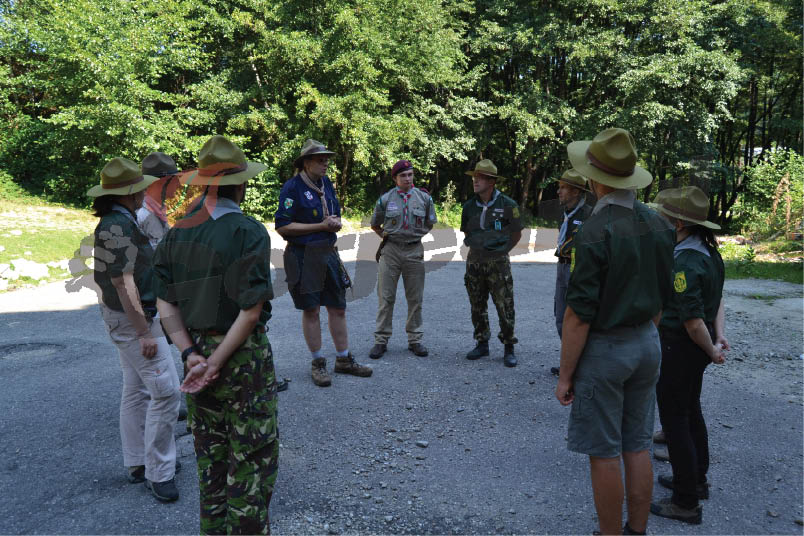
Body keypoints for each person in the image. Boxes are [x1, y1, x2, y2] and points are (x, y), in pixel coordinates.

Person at [152, 135, 278, 534]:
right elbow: (251, 308)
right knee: (252, 464)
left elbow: (165, 304)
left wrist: (191, 355)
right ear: (240, 184)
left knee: (211, 460)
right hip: (241, 359)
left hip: (197, 353)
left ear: (204, 184)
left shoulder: (176, 233)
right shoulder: (248, 231)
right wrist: (217, 362)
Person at [554, 128, 675, 536]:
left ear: (596, 179)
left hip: (608, 350)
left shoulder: (593, 229)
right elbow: (660, 298)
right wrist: (644, 332)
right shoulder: (659, 223)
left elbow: (578, 316)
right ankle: (635, 531)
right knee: (637, 443)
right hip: (647, 341)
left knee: (604, 451)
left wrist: (566, 374)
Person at [88, 157, 181, 502]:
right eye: (139, 189)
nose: (144, 193)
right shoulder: (119, 226)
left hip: (127, 316)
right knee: (166, 391)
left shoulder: (120, 220)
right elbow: (122, 281)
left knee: (136, 388)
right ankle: (159, 472)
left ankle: (138, 463)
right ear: (128, 194)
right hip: (134, 320)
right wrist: (144, 332)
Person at [648, 186, 728, 525]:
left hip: (681, 346)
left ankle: (685, 502)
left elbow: (692, 320)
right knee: (690, 410)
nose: (659, 218)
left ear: (679, 222)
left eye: (664, 214)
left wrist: (711, 348)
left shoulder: (685, 261)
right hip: (696, 347)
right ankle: (696, 480)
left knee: (675, 420)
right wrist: (718, 336)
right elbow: (718, 300)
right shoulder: (708, 251)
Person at [274, 139, 372, 387]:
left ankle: (343, 359)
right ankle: (318, 363)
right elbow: (283, 226)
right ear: (306, 162)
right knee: (312, 310)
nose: (326, 162)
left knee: (338, 307)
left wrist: (335, 222)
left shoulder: (325, 184)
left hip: (328, 252)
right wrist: (320, 225)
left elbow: (331, 213)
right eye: (320, 159)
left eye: (327, 158)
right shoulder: (292, 188)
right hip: (303, 255)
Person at [368, 159, 437, 359]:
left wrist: (416, 236)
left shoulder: (424, 198)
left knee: (415, 298)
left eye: (410, 174)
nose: (407, 178)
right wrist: (388, 237)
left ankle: (415, 340)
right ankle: (381, 340)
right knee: (386, 297)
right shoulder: (385, 199)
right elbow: (375, 224)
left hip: (414, 251)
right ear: (395, 178)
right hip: (390, 252)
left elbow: (430, 222)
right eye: (403, 175)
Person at [460, 159, 523, 367]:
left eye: (480, 177)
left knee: (504, 305)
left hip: (498, 262)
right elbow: (467, 232)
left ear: (492, 181)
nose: (475, 181)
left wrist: (502, 252)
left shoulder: (508, 205)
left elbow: (516, 234)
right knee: (477, 304)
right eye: (474, 177)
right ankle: (482, 343)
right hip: (475, 261)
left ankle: (508, 347)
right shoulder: (469, 206)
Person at [551, 169, 593, 376]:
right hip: (562, 266)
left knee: (577, 317)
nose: (558, 192)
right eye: (559, 187)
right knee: (560, 316)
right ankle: (571, 362)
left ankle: (581, 366)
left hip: (579, 269)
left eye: (563, 188)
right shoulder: (566, 213)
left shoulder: (590, 215)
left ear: (576, 191)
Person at [136, 152, 179, 249]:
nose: (178, 184)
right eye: (174, 179)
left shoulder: (156, 209)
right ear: (161, 183)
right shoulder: (142, 215)